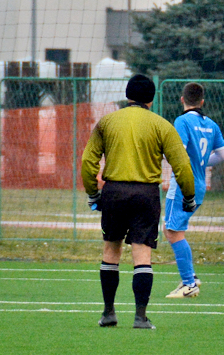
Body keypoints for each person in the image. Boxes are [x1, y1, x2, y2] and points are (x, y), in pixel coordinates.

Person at [80, 74, 195, 329]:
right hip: (146, 195)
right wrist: (188, 196)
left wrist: (93, 193)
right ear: (151, 100)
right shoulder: (161, 125)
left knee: (111, 250)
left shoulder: (107, 122)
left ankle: (109, 313)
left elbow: (88, 162)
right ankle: (140, 317)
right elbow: (182, 165)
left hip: (114, 192)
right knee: (142, 253)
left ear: (127, 95)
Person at [164, 82, 224, 299]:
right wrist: (200, 162)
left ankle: (189, 283)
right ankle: (191, 277)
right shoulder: (211, 125)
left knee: (172, 232)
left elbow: (178, 152)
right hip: (200, 184)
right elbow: (222, 156)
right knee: (176, 230)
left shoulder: (182, 121)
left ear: (182, 100)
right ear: (202, 102)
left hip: (182, 184)